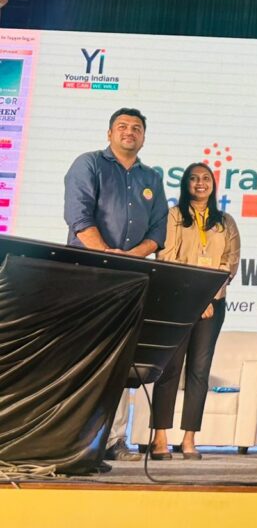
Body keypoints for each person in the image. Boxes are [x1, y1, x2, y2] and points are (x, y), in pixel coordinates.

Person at [63, 107, 168, 466]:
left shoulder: (151, 178)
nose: (129, 132)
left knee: (122, 358)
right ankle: (75, 438)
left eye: (137, 128)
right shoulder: (89, 164)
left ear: (143, 137)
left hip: (130, 278)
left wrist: (129, 258)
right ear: (109, 133)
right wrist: (107, 255)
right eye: (122, 126)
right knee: (86, 355)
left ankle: (114, 438)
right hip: (88, 273)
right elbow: (78, 217)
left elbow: (158, 231)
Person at [149, 162, 241, 460]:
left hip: (213, 305)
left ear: (213, 184)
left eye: (206, 178)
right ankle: (160, 438)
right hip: (177, 303)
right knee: (169, 370)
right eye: (193, 178)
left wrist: (206, 298)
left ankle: (189, 439)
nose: (200, 183)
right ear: (185, 184)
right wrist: (192, 299)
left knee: (199, 372)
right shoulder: (174, 216)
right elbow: (167, 258)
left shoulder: (225, 221)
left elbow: (230, 262)